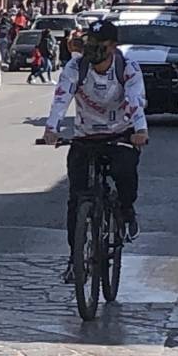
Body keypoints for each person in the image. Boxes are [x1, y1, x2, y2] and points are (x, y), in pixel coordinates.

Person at [42, 21, 149, 283]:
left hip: (120, 133)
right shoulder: (76, 67)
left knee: (125, 171)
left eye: (99, 43)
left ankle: (126, 211)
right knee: (76, 198)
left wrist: (140, 130)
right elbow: (61, 97)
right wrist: (52, 128)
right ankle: (75, 258)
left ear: (112, 46)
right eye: (90, 41)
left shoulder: (127, 68)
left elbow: (135, 100)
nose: (92, 47)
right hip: (85, 136)